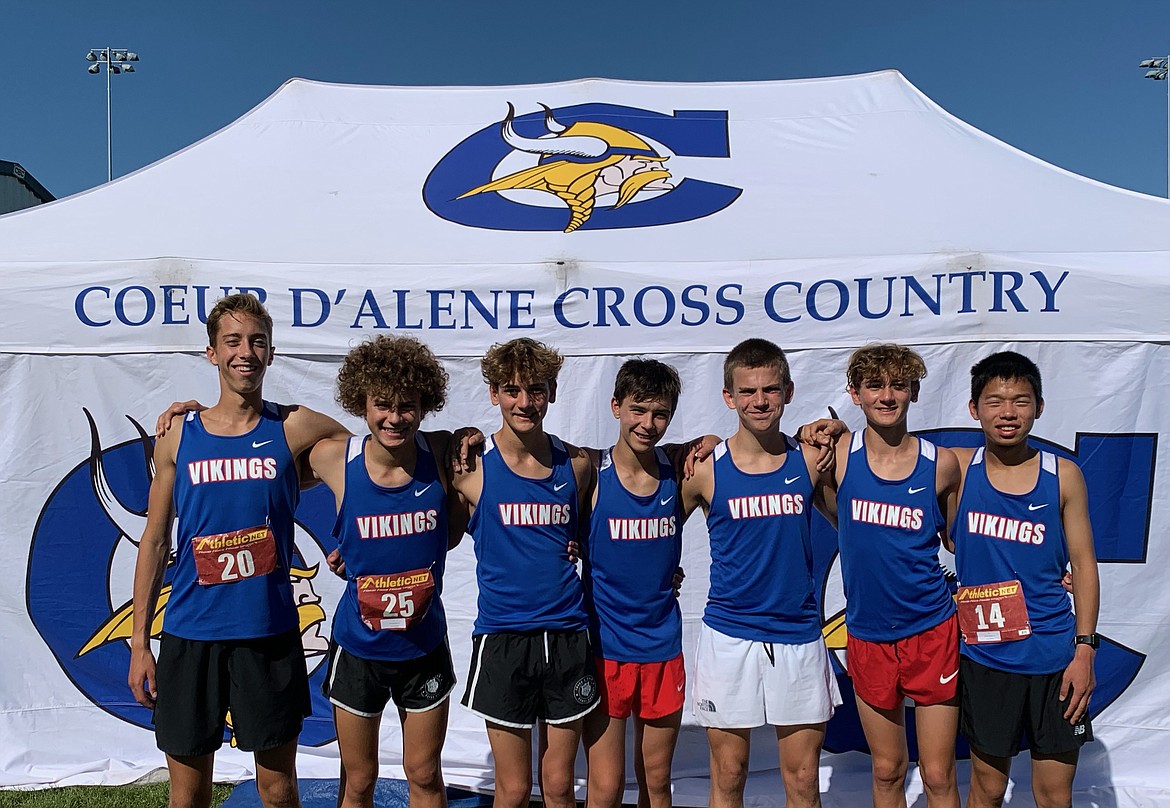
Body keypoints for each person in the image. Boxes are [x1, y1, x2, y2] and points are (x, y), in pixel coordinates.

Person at [128, 294, 348, 808]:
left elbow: (365, 454)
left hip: (267, 635)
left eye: (257, 342)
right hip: (190, 633)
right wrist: (141, 643)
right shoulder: (179, 434)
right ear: (211, 353)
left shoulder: (293, 426)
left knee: (278, 790)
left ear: (271, 353)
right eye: (233, 341)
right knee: (188, 795)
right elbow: (156, 539)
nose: (245, 352)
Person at [306, 336, 468, 808]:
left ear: (425, 405)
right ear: (362, 403)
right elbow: (268, 433)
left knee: (424, 775)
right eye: (382, 405)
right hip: (360, 650)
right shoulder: (336, 458)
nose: (394, 418)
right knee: (359, 780)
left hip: (423, 648)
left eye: (407, 406)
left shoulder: (442, 452)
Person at [679, 338, 841, 808]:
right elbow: (653, 524)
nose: (760, 401)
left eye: (770, 389)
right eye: (747, 391)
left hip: (798, 633)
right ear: (729, 397)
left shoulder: (811, 459)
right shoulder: (705, 468)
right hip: (729, 635)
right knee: (729, 775)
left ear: (789, 391)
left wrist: (842, 431)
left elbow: (856, 519)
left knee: (803, 780)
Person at [451, 338, 596, 808]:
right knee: (511, 789)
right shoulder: (470, 466)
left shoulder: (576, 464)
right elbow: (428, 527)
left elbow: (603, 524)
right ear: (494, 394)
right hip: (504, 635)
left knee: (558, 787)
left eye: (536, 389)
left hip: (567, 635)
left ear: (552, 392)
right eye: (512, 390)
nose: (525, 402)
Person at [950, 351, 1099, 808]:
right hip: (986, 659)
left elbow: (1086, 563)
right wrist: (829, 431)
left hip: (1055, 660)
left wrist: (1085, 650)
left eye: (1021, 400)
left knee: (1054, 795)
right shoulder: (955, 469)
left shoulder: (1063, 475)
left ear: (1039, 406)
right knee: (987, 790)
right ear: (974, 409)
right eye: (994, 401)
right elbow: (882, 461)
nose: (1008, 412)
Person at [829, 344, 961, 808]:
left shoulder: (941, 463)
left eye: (898, 385)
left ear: (915, 393)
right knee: (886, 771)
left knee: (940, 775)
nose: (887, 396)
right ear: (855, 394)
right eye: (875, 386)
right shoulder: (839, 453)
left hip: (931, 630)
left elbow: (962, 542)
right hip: (868, 634)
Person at [580, 359, 691, 808]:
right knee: (605, 787)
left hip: (662, 648)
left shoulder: (679, 472)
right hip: (606, 651)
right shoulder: (589, 474)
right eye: (638, 410)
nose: (647, 423)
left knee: (658, 782)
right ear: (616, 407)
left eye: (660, 414)